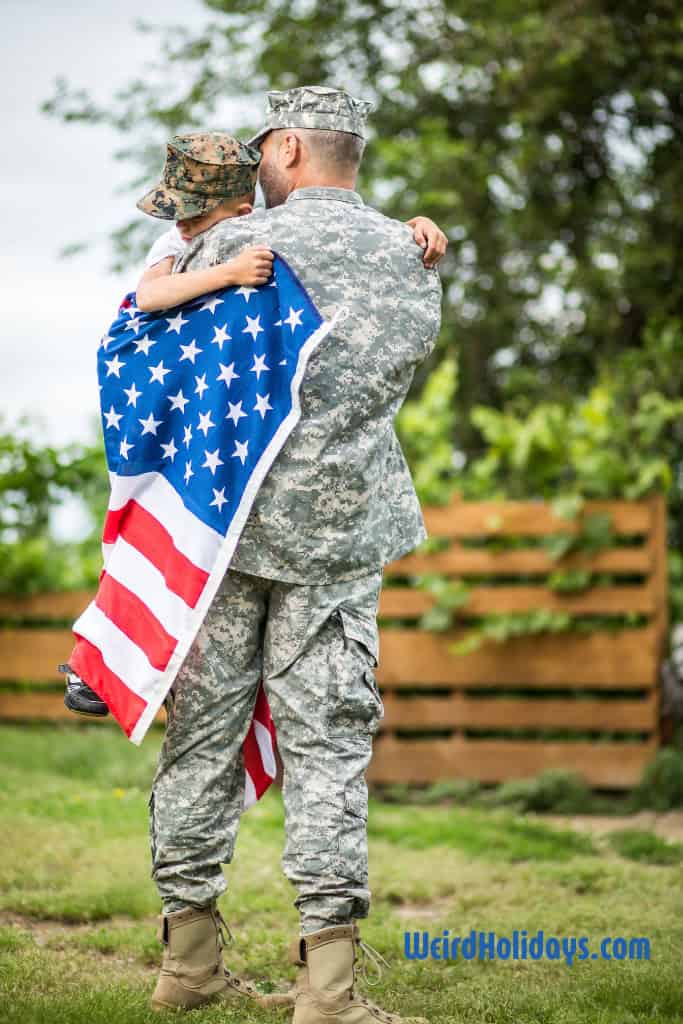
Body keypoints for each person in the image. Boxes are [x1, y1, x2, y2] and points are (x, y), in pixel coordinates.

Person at [147, 86, 444, 1024]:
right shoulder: (411, 251)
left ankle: (186, 967)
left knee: (201, 742)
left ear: (282, 149)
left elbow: (153, 347)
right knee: (327, 752)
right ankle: (327, 992)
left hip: (219, 535)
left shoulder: (222, 249)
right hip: (338, 536)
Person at [59, 130, 446, 720]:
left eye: (194, 216)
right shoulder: (199, 244)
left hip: (244, 452)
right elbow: (150, 296)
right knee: (147, 524)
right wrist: (228, 272)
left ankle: (109, 657)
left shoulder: (249, 229)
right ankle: (104, 661)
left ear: (241, 210)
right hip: (172, 419)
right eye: (177, 215)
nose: (184, 228)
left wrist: (413, 226)